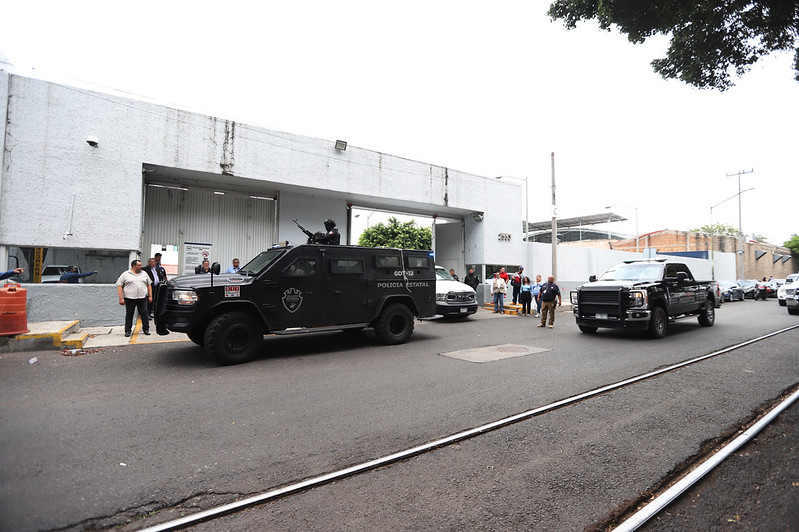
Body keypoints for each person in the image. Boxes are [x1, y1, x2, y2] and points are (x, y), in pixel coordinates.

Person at [116, 259, 152, 337]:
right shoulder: (125, 274)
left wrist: (150, 296)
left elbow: (149, 285)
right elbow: (119, 286)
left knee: (144, 313)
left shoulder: (144, 274)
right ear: (134, 266)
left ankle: (146, 329)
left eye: (141, 265)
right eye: (139, 265)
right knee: (129, 314)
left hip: (142, 298)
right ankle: (128, 330)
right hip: (130, 298)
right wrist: (121, 298)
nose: (141, 267)